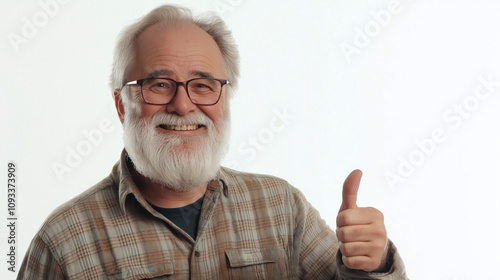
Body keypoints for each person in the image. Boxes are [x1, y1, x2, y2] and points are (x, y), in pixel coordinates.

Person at [18, 5, 408, 279]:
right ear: (122, 105)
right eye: (159, 84)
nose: (184, 105)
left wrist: (371, 265)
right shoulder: (63, 240)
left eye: (203, 85)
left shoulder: (282, 208)